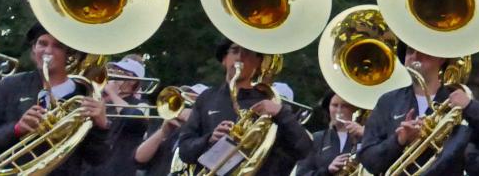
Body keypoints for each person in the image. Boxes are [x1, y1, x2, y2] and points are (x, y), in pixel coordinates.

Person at [0, 23, 112, 175]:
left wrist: (102, 127)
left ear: (68, 54)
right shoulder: (11, 85)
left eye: (57, 46)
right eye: (42, 43)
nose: (48, 51)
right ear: (34, 49)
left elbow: (98, 159)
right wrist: (16, 128)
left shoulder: (84, 94)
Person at [357, 47, 479, 176]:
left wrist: (470, 107)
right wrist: (399, 139)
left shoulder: (458, 101)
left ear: (441, 57)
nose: (415, 56)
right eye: (410, 52)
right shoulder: (388, 101)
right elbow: (369, 160)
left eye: (423, 51)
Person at [175, 40, 312, 176]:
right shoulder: (207, 98)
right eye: (234, 51)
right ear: (224, 59)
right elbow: (185, 151)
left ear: (258, 62)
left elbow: (305, 150)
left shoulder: (270, 103)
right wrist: (210, 139)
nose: (240, 57)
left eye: (247, 53)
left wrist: (281, 113)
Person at [90, 55, 152, 175]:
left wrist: (113, 94)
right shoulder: (103, 100)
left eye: (119, 72)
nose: (112, 75)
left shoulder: (141, 105)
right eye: (112, 70)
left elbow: (134, 120)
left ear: (132, 80)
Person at [133, 84, 203, 175]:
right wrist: (163, 131)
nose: (185, 103)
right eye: (185, 96)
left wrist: (194, 121)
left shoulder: (203, 134)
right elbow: (139, 158)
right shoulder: (171, 128)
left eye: (193, 98)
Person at [296, 92, 366, 176]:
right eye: (335, 105)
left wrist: (365, 134)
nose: (339, 110)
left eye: (345, 106)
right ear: (328, 108)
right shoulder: (316, 138)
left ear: (354, 110)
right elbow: (301, 174)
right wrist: (328, 170)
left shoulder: (365, 135)